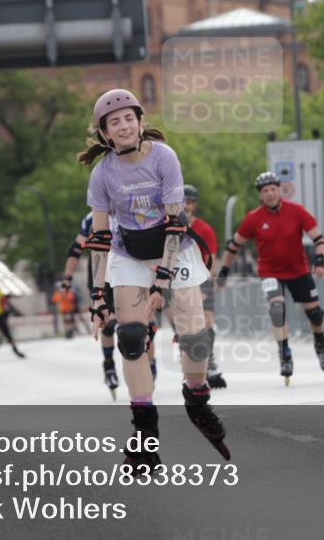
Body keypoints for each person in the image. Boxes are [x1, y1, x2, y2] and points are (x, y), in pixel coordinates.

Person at [79, 88, 229, 467]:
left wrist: (162, 280)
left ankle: (197, 399)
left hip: (172, 249)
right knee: (131, 339)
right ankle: (145, 434)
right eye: (115, 122)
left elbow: (175, 223)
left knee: (195, 336)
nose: (124, 126)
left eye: (130, 118)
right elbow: (98, 241)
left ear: (141, 122)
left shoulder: (164, 158)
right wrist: (98, 298)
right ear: (105, 134)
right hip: (129, 253)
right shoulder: (102, 174)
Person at [217, 171, 324, 385]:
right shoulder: (253, 218)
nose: (270, 194)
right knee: (277, 309)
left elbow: (319, 238)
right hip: (270, 272)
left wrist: (320, 261)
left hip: (298, 270)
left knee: (315, 314)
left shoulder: (296, 211)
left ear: (279, 190)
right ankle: (285, 353)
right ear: (260, 196)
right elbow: (233, 246)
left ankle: (320, 344)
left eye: (273, 189)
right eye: (265, 191)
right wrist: (223, 272)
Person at [63, 211, 158, 400]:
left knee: (145, 323)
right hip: (102, 275)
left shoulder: (133, 207)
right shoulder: (91, 217)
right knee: (108, 323)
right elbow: (75, 249)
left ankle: (150, 360)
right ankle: (108, 364)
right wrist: (67, 277)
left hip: (129, 271)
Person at [182, 184, 227, 389]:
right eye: (183, 201)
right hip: (177, 281)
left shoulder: (204, 229)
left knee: (207, 322)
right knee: (185, 326)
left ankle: (210, 360)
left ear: (194, 205)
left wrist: (206, 284)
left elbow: (211, 260)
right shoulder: (167, 227)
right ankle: (191, 364)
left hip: (200, 279)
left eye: (190, 202)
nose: (186, 205)